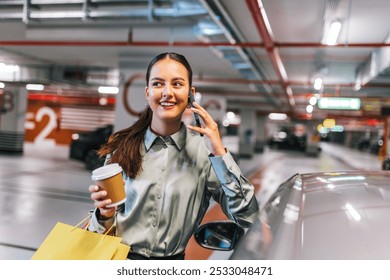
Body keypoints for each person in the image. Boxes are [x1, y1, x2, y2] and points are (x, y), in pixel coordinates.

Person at [88, 52, 259, 260]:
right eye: (158, 84)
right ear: (147, 92)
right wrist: (103, 215)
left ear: (190, 93)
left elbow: (247, 215)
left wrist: (219, 151)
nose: (167, 92)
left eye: (177, 84)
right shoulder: (122, 149)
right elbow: (99, 234)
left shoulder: (205, 154)